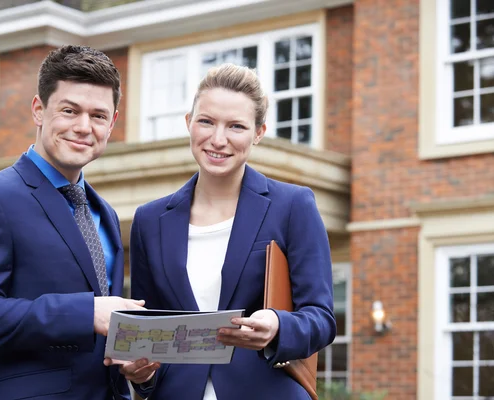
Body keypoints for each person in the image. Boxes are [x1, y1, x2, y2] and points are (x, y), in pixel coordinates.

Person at [115, 63, 336, 399]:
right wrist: (142, 376)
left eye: (236, 126)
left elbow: (321, 319)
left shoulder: (293, 206)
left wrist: (278, 327)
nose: (218, 139)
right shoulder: (149, 220)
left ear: (259, 132)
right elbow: (151, 330)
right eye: (206, 121)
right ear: (189, 123)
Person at [0, 45, 144, 400]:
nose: (83, 127)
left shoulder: (106, 213)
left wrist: (134, 367)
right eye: (69, 111)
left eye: (98, 116)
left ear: (112, 122)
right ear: (39, 110)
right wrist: (86, 313)